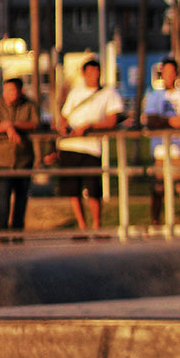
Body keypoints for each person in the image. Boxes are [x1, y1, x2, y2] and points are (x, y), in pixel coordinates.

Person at [56, 56, 124, 233]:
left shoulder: (108, 93)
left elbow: (112, 121)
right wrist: (63, 126)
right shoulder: (75, 93)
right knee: (73, 189)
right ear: (84, 74)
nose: (93, 75)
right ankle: (82, 227)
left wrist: (90, 127)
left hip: (91, 148)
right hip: (70, 146)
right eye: (90, 72)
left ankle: (97, 226)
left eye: (96, 71)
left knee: (94, 189)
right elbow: (64, 116)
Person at [142, 57, 180, 229]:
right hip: (159, 151)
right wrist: (173, 121)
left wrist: (164, 121)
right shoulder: (153, 96)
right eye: (166, 72)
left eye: (172, 72)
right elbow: (150, 121)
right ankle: (156, 223)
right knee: (157, 189)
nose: (169, 75)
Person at [0, 76, 40, 237]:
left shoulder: (30, 105)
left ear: (20, 91)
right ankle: (1, 234)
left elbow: (35, 123)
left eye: (12, 90)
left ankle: (17, 234)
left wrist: (13, 125)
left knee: (21, 199)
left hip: (24, 158)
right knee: (2, 199)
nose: (8, 93)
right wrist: (5, 127)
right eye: (6, 90)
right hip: (2, 159)